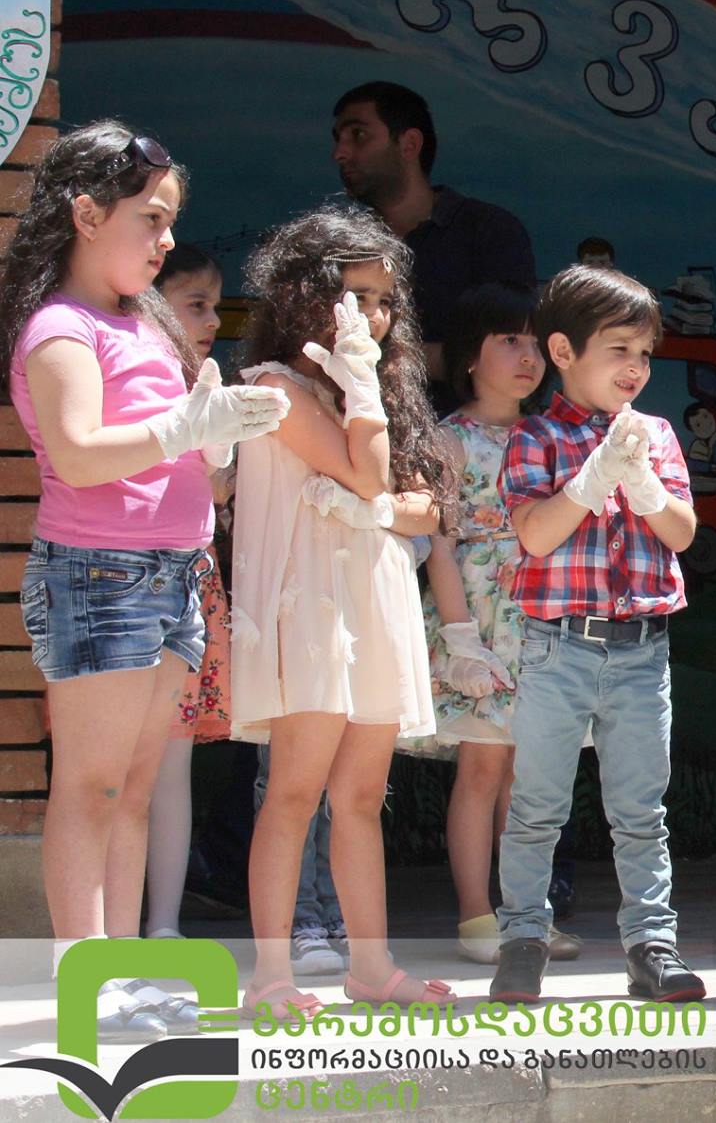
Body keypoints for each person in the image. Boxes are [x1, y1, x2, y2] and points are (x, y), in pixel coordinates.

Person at [0, 123, 285, 1037]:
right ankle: (87, 981)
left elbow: (196, 469)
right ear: (87, 215)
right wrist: (186, 431)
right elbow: (80, 455)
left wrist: (220, 439)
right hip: (99, 574)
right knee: (90, 787)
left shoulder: (147, 326)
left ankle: (120, 977)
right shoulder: (61, 327)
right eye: (150, 219)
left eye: (169, 221)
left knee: (131, 785)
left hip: (176, 572)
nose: (165, 241)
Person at [232, 208, 454, 1016]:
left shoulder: (383, 388)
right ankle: (272, 978)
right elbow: (367, 474)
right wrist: (364, 405)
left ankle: (371, 967)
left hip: (373, 599)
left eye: (385, 301)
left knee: (361, 797)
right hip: (311, 609)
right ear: (304, 294)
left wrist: (384, 499)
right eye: (356, 296)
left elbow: (427, 506)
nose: (375, 316)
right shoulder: (273, 388)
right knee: (293, 793)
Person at [486, 266, 703, 1005]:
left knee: (642, 811)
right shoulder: (535, 437)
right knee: (537, 805)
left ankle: (652, 946)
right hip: (559, 647)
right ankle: (522, 940)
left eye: (644, 353)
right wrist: (589, 479)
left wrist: (643, 485)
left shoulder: (657, 434)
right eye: (619, 349)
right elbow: (535, 534)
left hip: (642, 647)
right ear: (564, 351)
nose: (636, 367)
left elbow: (683, 532)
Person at [413, 284, 582, 967]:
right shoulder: (448, 439)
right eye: (510, 340)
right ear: (468, 356)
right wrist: (461, 641)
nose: (528, 356)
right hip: (481, 623)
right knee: (482, 769)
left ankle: (526, 917)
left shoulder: (552, 435)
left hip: (542, 621)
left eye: (537, 343)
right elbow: (439, 545)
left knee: (529, 776)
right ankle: (476, 915)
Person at [144, 246, 235, 942]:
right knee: (115, 767)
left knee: (172, 764)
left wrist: (219, 451)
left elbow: (218, 495)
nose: (212, 320)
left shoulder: (213, 388)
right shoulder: (127, 385)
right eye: (195, 304)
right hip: (123, 580)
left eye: (215, 305)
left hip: (191, 582)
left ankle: (164, 925)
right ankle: (107, 932)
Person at [329, 82, 536, 383]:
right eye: (338, 139)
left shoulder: (489, 231)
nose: (340, 152)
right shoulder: (341, 244)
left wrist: (372, 356)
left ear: (410, 144)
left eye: (358, 135)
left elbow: (510, 354)